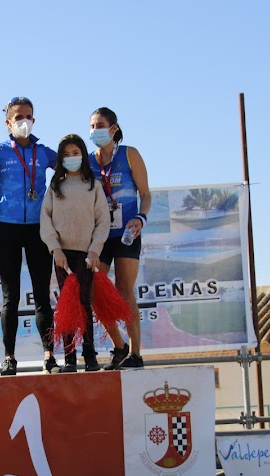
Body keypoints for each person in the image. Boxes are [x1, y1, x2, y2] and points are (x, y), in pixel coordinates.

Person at [0, 97, 60, 375]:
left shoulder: (43, 152)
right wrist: (3, 203)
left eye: (28, 116)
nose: (23, 121)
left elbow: (70, 169)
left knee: (42, 295)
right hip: (8, 227)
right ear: (8, 122)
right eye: (18, 117)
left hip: (38, 229)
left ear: (34, 119)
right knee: (11, 297)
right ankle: (9, 358)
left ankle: (49, 356)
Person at [40, 134, 110, 373]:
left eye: (76, 153)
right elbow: (45, 220)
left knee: (84, 302)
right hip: (62, 255)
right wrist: (55, 248)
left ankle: (89, 354)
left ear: (83, 154)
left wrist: (94, 250)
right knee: (67, 305)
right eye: (67, 155)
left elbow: (103, 221)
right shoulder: (55, 185)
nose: (72, 158)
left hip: (86, 254)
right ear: (61, 159)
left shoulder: (93, 185)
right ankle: (69, 358)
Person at [88, 107, 151, 370]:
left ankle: (135, 354)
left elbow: (146, 194)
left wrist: (141, 218)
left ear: (113, 129)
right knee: (95, 292)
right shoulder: (88, 161)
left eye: (100, 125)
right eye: (91, 126)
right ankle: (119, 347)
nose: (95, 131)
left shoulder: (129, 154)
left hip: (127, 232)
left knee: (125, 291)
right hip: (100, 235)